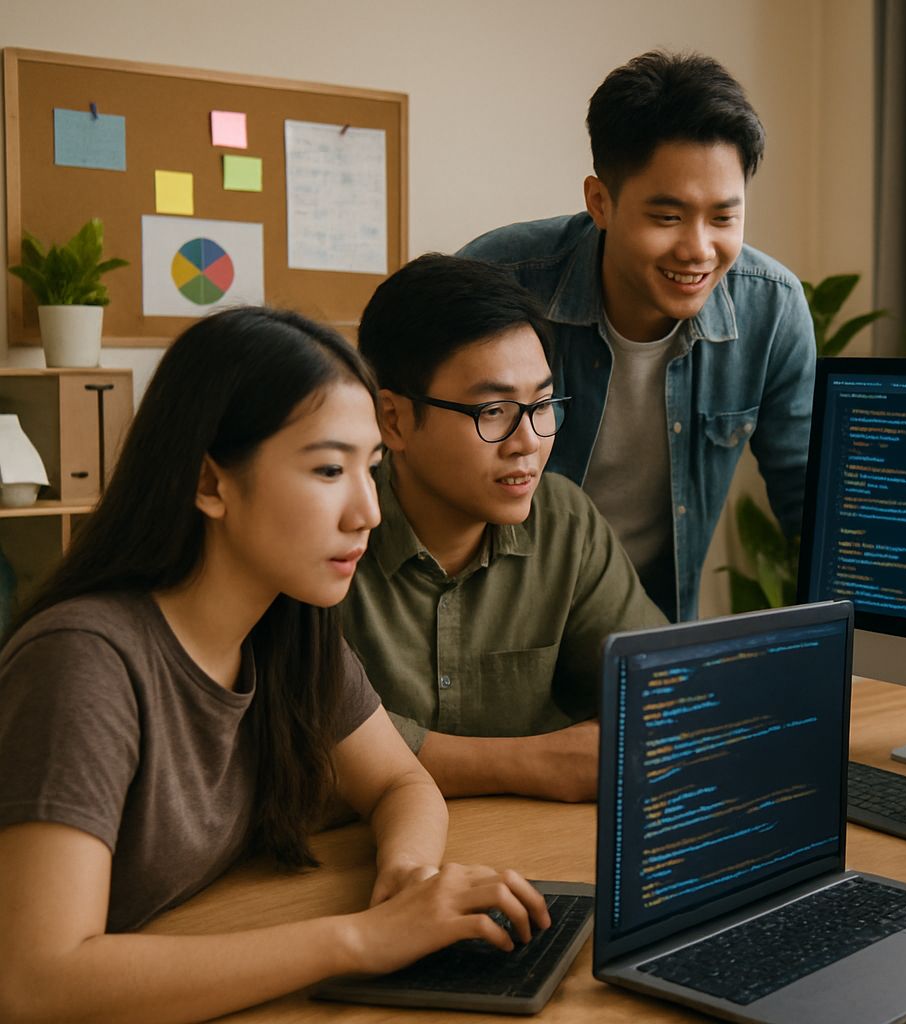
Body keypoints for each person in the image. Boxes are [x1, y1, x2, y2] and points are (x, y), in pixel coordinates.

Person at [0, 308, 550, 1023]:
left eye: (371, 469)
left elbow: (398, 781)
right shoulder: (83, 663)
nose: (368, 512)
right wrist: (363, 939)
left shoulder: (287, 626)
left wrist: (409, 879)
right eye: (328, 469)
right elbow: (39, 980)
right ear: (209, 482)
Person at [459, 49, 816, 622]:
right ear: (600, 202)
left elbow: (810, 506)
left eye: (724, 218)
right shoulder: (499, 284)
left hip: (649, 633)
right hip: (496, 624)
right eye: (668, 217)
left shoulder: (771, 309)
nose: (699, 250)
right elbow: (414, 474)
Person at [344, 254, 667, 803]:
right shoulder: (329, 531)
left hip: (530, 852)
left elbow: (659, 696)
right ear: (391, 420)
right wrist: (529, 763)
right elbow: (294, 739)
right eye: (492, 411)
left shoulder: (565, 523)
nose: (529, 442)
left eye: (542, 404)